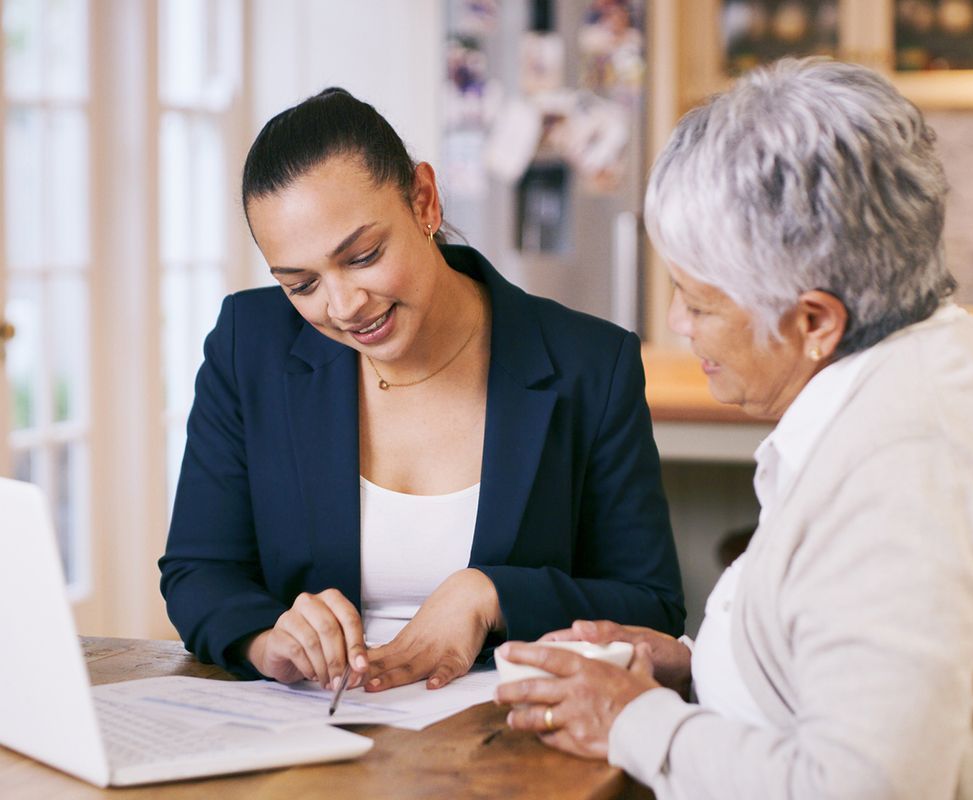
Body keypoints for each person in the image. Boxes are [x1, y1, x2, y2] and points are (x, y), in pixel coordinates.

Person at [496, 57, 973, 799]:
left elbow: (863, 787)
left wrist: (637, 722)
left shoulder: (901, 474)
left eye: (698, 303)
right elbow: (840, 665)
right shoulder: (916, 361)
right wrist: (694, 664)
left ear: (814, 321)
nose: (675, 324)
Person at [158, 87, 684, 694]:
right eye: (301, 285)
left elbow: (653, 606)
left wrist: (490, 594)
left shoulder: (590, 363)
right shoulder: (247, 345)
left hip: (507, 739)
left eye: (363, 256)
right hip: (314, 733)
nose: (344, 306)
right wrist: (267, 640)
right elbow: (199, 570)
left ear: (424, 201)